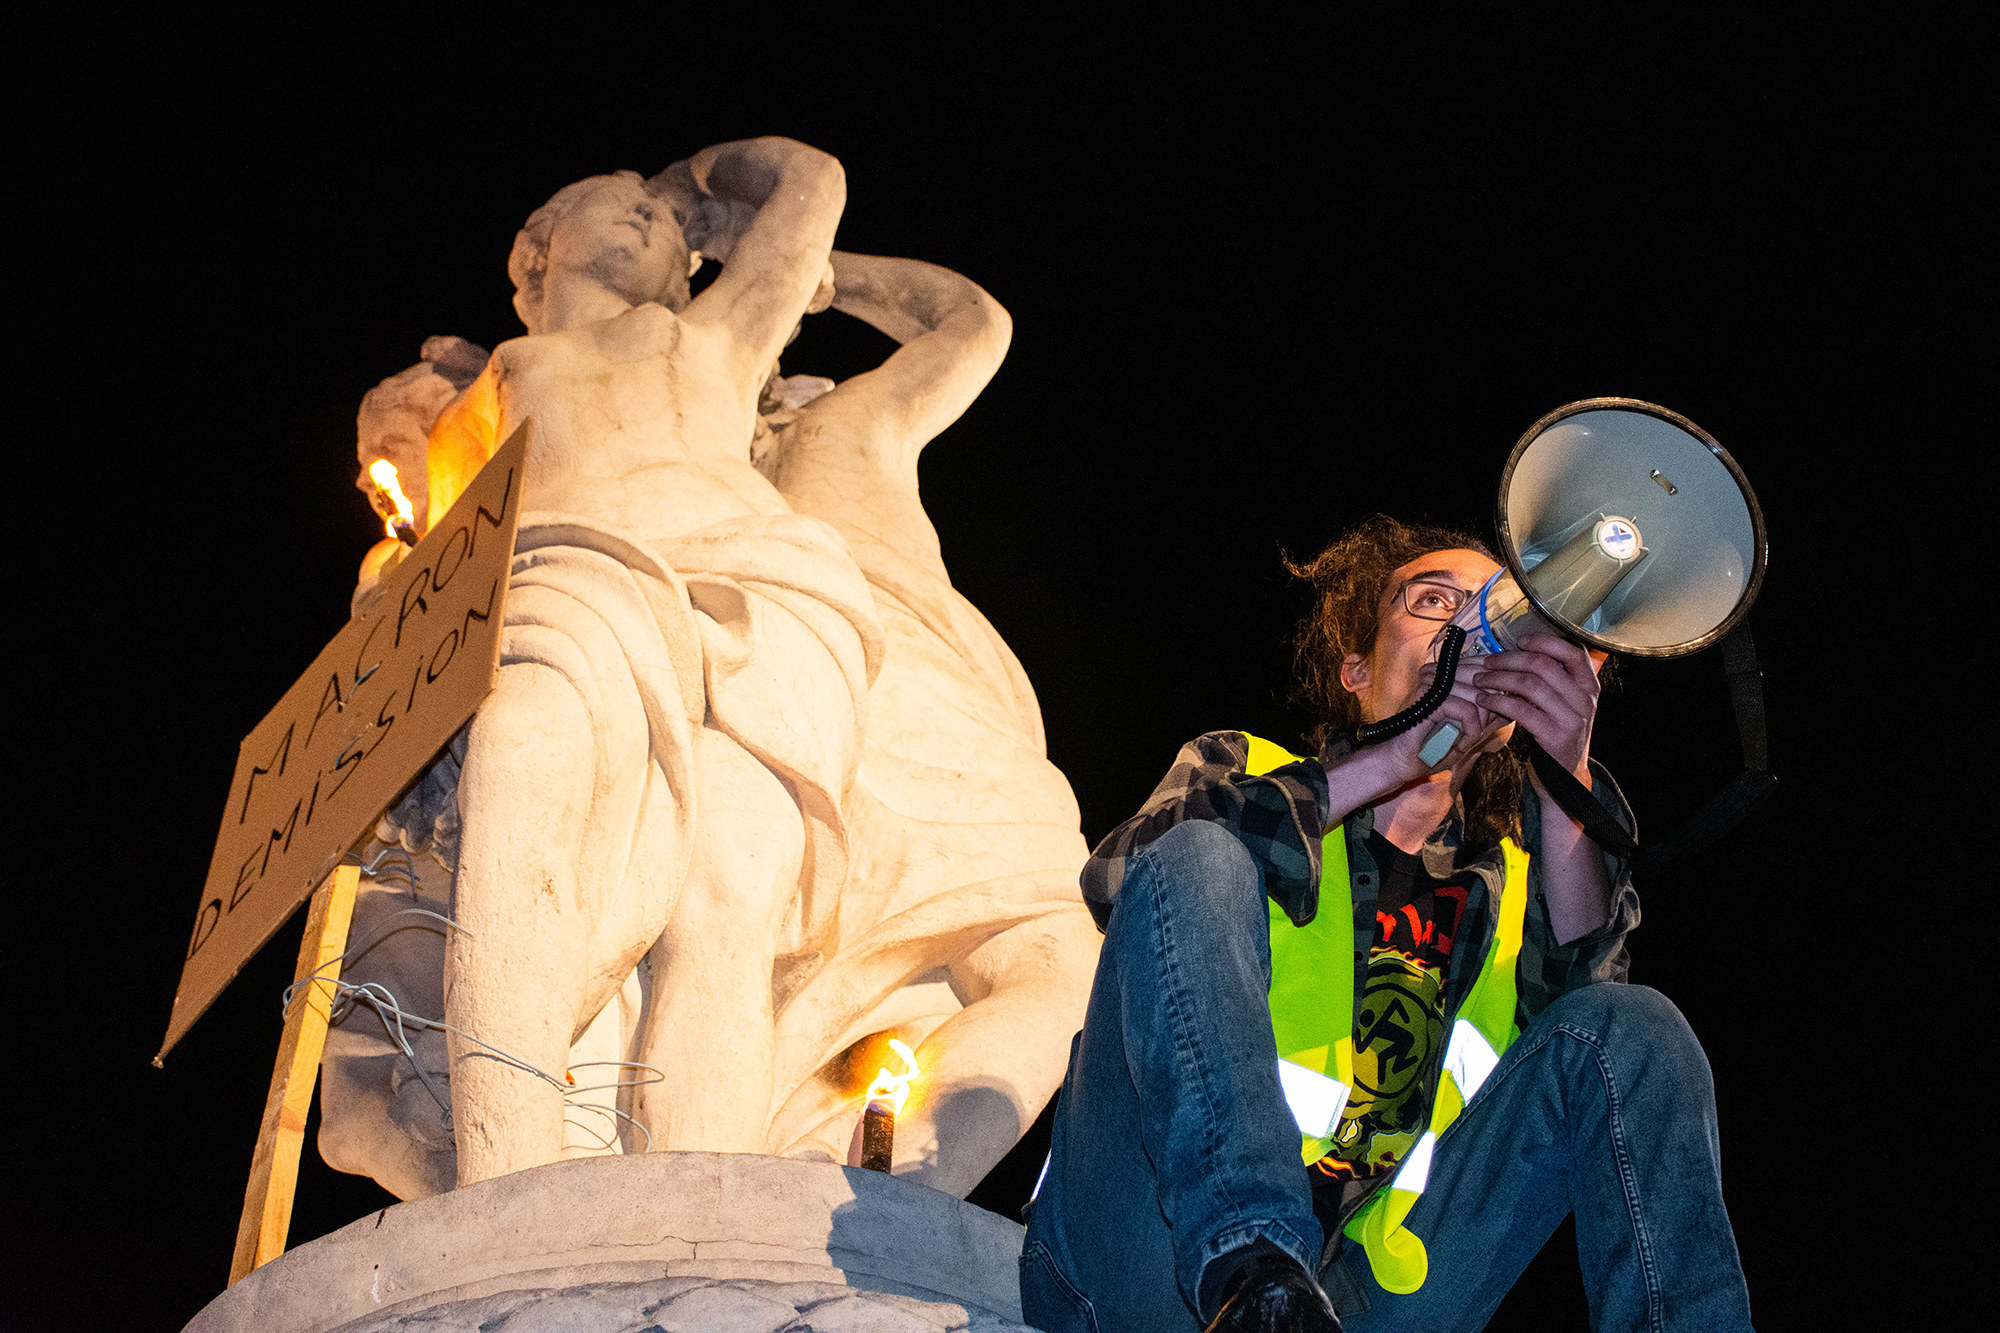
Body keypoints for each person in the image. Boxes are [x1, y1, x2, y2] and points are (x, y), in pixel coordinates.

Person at [1020, 516, 1753, 1332]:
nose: (1471, 628)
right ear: (1357, 670)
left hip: (1362, 1297)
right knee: (1199, 850)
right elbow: (1125, 881)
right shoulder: (1243, 770)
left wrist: (1564, 776)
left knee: (1636, 1024)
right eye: (1433, 601)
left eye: (1495, 611)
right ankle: (1255, 1271)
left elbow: (1595, 1060)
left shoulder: (1516, 879)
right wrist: (1401, 755)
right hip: (1141, 1257)